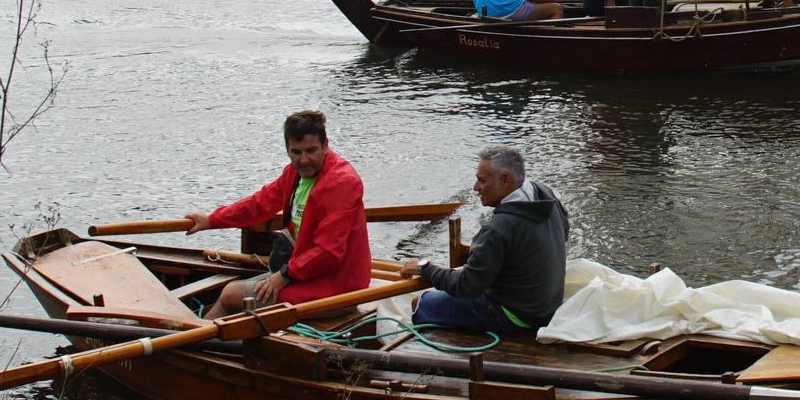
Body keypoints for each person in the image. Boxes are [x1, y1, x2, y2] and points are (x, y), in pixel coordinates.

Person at [184, 110, 370, 319]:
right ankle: (199, 342)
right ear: (288, 150)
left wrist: (284, 275)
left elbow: (328, 252)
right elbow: (259, 204)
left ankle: (188, 343)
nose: (304, 159)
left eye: (311, 150)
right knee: (235, 294)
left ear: (326, 145)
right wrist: (212, 220)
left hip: (338, 287)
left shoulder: (341, 182)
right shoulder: (294, 173)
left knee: (231, 294)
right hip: (307, 274)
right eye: (296, 152)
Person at [399, 146, 569, 337]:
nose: (475, 187)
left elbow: (466, 286)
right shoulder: (546, 195)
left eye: (482, 180)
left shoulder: (498, 228)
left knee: (419, 303)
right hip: (546, 308)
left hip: (516, 317)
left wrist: (424, 268)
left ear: (505, 180)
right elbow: (564, 232)